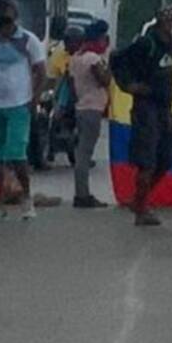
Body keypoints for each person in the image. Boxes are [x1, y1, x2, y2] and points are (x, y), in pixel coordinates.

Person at [0, 0, 47, 223]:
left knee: (17, 155)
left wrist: (33, 100)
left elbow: (40, 71)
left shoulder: (28, 40)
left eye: (6, 13)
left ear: (15, 16)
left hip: (18, 105)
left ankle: (26, 199)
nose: (3, 19)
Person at [122, 6, 172, 227]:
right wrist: (130, 85)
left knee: (167, 156)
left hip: (165, 106)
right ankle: (141, 208)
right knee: (147, 161)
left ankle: (139, 200)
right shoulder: (146, 43)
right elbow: (120, 61)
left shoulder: (171, 45)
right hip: (147, 108)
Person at [70, 20, 112, 209]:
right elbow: (104, 80)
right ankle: (82, 195)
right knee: (85, 154)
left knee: (82, 152)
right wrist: (109, 68)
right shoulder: (93, 59)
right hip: (93, 109)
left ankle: (81, 192)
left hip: (81, 107)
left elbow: (72, 86)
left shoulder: (76, 58)